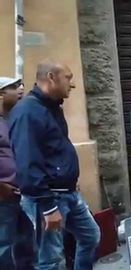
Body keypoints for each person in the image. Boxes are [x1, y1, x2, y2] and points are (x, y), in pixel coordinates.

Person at [8, 61, 100, 270]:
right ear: (52, 77)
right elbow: (28, 163)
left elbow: (55, 150)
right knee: (50, 260)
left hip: (68, 193)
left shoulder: (51, 107)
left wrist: (69, 181)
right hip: (48, 198)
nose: (72, 84)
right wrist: (48, 207)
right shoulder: (28, 112)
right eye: (68, 77)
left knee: (90, 237)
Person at [0, 77, 34, 269]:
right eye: (14, 86)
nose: (21, 88)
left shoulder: (13, 118)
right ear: (1, 94)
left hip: (22, 192)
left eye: (21, 84)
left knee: (26, 243)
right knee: (4, 246)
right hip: (3, 196)